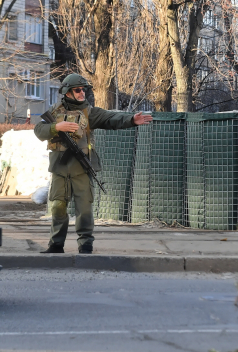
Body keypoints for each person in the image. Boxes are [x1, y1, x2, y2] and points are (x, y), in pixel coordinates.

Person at [35, 74, 152, 254]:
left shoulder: (90, 112)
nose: (82, 93)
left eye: (83, 90)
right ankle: (56, 245)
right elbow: (39, 130)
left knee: (84, 209)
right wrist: (56, 127)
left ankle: (85, 245)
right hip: (59, 169)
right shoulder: (55, 111)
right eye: (78, 90)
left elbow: (111, 118)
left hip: (81, 169)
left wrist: (131, 120)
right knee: (58, 207)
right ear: (67, 92)